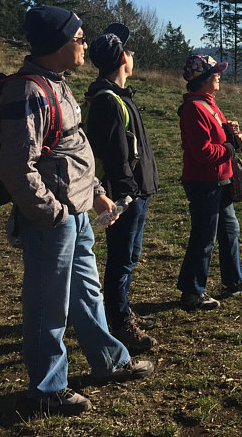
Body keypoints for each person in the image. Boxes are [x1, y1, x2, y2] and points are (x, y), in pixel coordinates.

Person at [0, 5, 154, 416]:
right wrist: (54, 213)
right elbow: (15, 167)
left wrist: (97, 192)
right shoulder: (27, 91)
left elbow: (74, 148)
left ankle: (109, 361)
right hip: (54, 218)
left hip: (78, 211)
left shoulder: (59, 84)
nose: (85, 44)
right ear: (58, 45)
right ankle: (46, 389)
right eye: (79, 38)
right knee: (47, 303)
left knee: (87, 293)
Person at [84, 23, 159, 353]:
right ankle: (119, 320)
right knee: (121, 258)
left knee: (130, 255)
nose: (133, 55)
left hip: (135, 193)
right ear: (121, 59)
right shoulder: (108, 102)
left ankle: (123, 308)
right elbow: (116, 157)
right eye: (129, 51)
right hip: (125, 197)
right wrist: (127, 195)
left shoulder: (120, 97)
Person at [177, 52, 242, 311]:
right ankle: (192, 293)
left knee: (230, 231)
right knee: (204, 238)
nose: (219, 76)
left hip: (219, 181)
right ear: (203, 79)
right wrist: (229, 149)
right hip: (204, 182)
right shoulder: (193, 109)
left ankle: (234, 281)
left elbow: (220, 138)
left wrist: (230, 133)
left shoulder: (209, 104)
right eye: (215, 73)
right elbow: (203, 152)